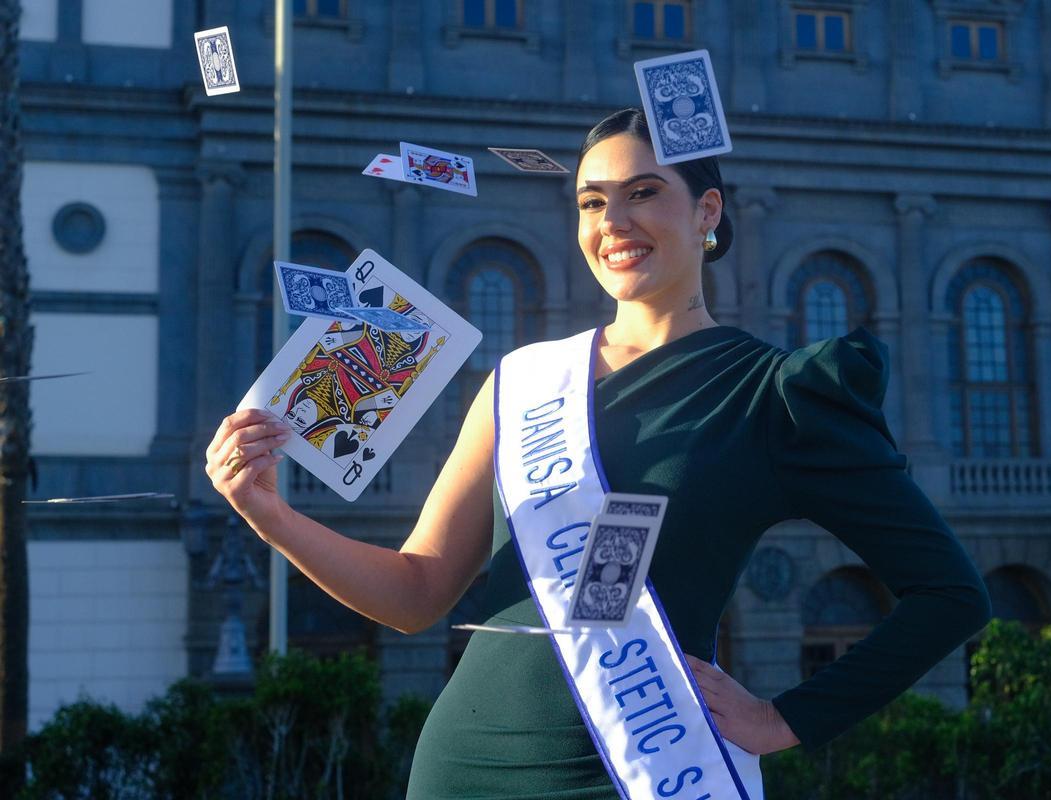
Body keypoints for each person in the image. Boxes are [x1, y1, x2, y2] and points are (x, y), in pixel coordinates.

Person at [207, 107, 992, 799]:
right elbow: (416, 593)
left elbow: (950, 593)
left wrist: (782, 720)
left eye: (643, 192)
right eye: (591, 201)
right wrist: (267, 511)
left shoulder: (776, 397)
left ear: (707, 211)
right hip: (465, 767)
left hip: (638, 770)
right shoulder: (521, 380)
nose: (612, 221)